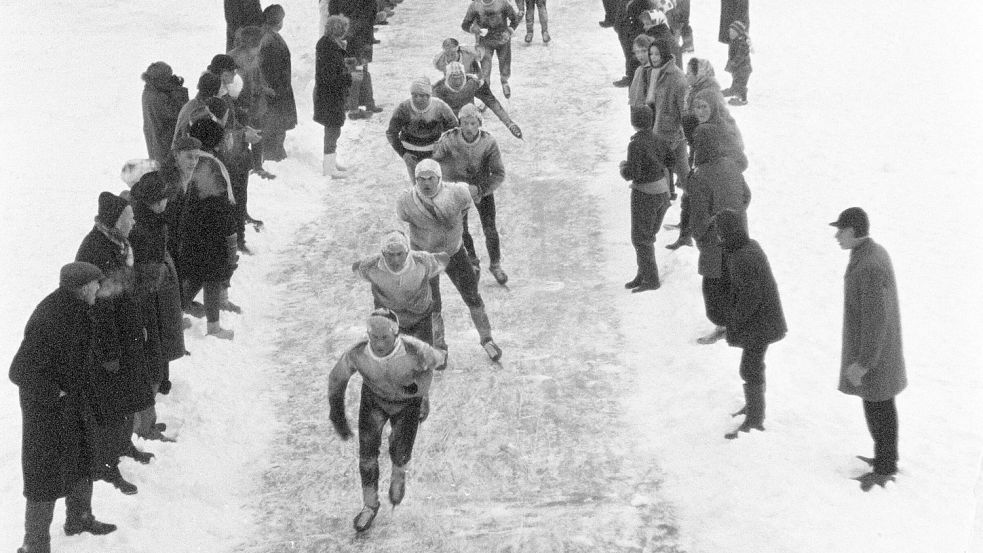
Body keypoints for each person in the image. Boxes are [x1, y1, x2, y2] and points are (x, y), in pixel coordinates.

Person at [10, 262, 117, 553]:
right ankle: (34, 545)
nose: (99, 288)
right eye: (96, 283)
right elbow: (19, 370)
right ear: (83, 288)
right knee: (44, 477)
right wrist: (54, 392)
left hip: (72, 402)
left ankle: (79, 518)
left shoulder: (81, 309)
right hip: (45, 412)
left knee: (82, 457)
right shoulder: (50, 316)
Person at [328, 308, 446, 532]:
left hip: (407, 404)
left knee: (400, 450)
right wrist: (337, 414)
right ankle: (369, 504)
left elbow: (437, 361)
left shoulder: (414, 349)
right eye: (374, 337)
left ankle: (398, 473)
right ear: (367, 334)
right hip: (374, 401)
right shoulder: (358, 352)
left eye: (384, 338)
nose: (379, 343)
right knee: (367, 455)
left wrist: (420, 389)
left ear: (396, 334)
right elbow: (336, 379)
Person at [75, 192, 157, 496]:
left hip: (126, 332)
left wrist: (139, 326)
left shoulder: (118, 244)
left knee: (128, 394)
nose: (134, 220)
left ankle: (124, 445)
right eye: (129, 216)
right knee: (112, 402)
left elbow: (127, 292)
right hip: (110, 341)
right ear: (114, 220)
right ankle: (108, 461)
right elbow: (100, 307)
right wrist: (109, 352)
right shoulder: (96, 250)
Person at [396, 159, 503, 363]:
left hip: (454, 254)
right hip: (425, 259)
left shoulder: (457, 193)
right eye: (421, 179)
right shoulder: (406, 200)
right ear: (415, 180)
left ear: (439, 178)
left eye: (431, 178)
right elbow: (404, 217)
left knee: (472, 296)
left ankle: (487, 339)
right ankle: (439, 346)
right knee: (432, 305)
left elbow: (464, 211)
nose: (426, 183)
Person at [830, 207, 907, 492]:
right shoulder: (869, 254)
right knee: (878, 405)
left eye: (841, 230)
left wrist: (863, 363)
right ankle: (885, 458)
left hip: (875, 355)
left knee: (879, 407)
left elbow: (876, 320)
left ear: (854, 231)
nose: (837, 235)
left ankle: (885, 467)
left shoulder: (869, 266)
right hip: (878, 352)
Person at [712, 209, 786, 439]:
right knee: (753, 364)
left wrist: (733, 320)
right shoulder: (748, 247)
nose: (717, 236)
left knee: (750, 367)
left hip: (761, 323)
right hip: (765, 320)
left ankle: (755, 419)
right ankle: (753, 409)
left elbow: (750, 296)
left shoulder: (742, 256)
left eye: (719, 232)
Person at [686, 90, 751, 345]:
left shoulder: (699, 176)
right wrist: (736, 216)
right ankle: (735, 325)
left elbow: (699, 219)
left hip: (715, 243)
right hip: (738, 236)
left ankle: (723, 327)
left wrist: (701, 236)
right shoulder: (731, 165)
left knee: (714, 290)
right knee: (734, 283)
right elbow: (746, 195)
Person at [128, 171, 186, 441]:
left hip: (160, 295)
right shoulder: (140, 228)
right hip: (148, 300)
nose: (163, 205)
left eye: (164, 199)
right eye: (157, 201)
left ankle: (147, 421)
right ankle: (143, 426)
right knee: (150, 359)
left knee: (158, 353)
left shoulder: (156, 220)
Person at [432, 103, 509, 285]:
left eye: (473, 123)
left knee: (489, 228)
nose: (469, 128)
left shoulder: (488, 142)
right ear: (459, 123)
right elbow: (434, 160)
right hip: (457, 189)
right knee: (462, 229)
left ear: (479, 124)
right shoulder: (450, 139)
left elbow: (499, 173)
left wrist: (481, 189)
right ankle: (472, 262)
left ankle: (496, 264)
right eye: (465, 123)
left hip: (481, 188)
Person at [183, 118, 242, 339]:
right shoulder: (212, 165)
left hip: (192, 229)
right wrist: (230, 232)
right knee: (213, 277)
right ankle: (214, 327)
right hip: (212, 231)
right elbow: (221, 202)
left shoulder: (192, 161)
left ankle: (179, 310)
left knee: (198, 276)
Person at [352, 231, 449, 344]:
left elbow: (444, 259)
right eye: (390, 254)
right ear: (383, 254)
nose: (395, 260)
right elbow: (356, 268)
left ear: (407, 252)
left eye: (399, 254)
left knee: (426, 356)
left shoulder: (423, 261)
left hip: (421, 318)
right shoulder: (370, 267)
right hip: (389, 320)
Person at [628, 36, 688, 199]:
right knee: (665, 167)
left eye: (657, 54)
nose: (653, 57)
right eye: (651, 54)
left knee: (681, 171)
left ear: (665, 55)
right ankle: (670, 197)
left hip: (671, 130)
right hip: (656, 126)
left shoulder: (676, 77)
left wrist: (683, 129)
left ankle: (691, 202)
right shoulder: (651, 72)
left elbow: (684, 108)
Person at [619, 105, 670, 293]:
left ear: (633, 122)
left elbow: (634, 173)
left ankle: (651, 278)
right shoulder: (659, 139)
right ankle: (643, 272)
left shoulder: (635, 144)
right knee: (647, 235)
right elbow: (670, 160)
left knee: (641, 238)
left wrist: (624, 168)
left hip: (644, 195)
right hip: (662, 193)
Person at [385, 77, 458, 183]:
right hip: (411, 153)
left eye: (422, 95)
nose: (418, 99)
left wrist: (444, 147)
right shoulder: (403, 108)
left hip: (435, 151)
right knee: (418, 184)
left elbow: (454, 129)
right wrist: (403, 154)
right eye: (415, 95)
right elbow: (391, 133)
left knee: (436, 183)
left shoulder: (440, 106)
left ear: (429, 95)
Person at [432, 62, 522, 139]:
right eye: (454, 78)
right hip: (449, 125)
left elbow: (492, 102)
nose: (458, 82)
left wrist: (509, 123)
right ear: (447, 77)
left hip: (469, 120)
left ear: (464, 75)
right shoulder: (438, 89)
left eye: (460, 77)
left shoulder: (474, 83)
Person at [327, 0, 384, 120]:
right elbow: (333, 9)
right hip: (350, 32)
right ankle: (354, 106)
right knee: (355, 70)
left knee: (361, 69)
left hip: (357, 32)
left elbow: (371, 10)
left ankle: (365, 103)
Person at [314, 15, 354, 179]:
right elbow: (330, 76)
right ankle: (329, 167)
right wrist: (349, 76)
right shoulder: (329, 48)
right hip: (330, 95)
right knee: (333, 129)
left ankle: (330, 161)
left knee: (333, 128)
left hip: (329, 95)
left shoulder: (329, 44)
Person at [258, 5, 298, 161]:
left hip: (277, 89)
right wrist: (275, 90)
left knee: (276, 126)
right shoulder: (270, 40)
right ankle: (274, 156)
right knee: (275, 125)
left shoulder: (267, 36)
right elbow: (271, 69)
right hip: (276, 91)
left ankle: (276, 153)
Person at [461, 0, 521, 98]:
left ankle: (504, 81)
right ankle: (487, 93)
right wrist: (473, 29)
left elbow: (515, 19)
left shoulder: (502, 3)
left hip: (502, 40)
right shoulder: (475, 5)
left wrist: (508, 32)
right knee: (485, 70)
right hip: (485, 42)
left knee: (504, 63)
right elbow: (465, 24)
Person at [142, 62, 189, 164]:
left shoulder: (149, 90)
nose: (171, 78)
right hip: (164, 143)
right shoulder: (158, 97)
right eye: (168, 77)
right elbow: (180, 112)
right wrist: (178, 90)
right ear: (161, 79)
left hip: (156, 140)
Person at [612, 0, 646, 87]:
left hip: (635, 27)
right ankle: (630, 75)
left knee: (635, 54)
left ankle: (635, 77)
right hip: (624, 27)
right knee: (628, 53)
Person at [723, 20, 752, 105]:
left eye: (733, 32)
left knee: (741, 85)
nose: (730, 33)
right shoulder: (735, 41)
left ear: (738, 33)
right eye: (730, 31)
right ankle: (735, 93)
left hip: (743, 69)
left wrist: (732, 65)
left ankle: (742, 100)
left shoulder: (742, 43)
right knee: (737, 83)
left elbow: (739, 56)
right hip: (738, 69)